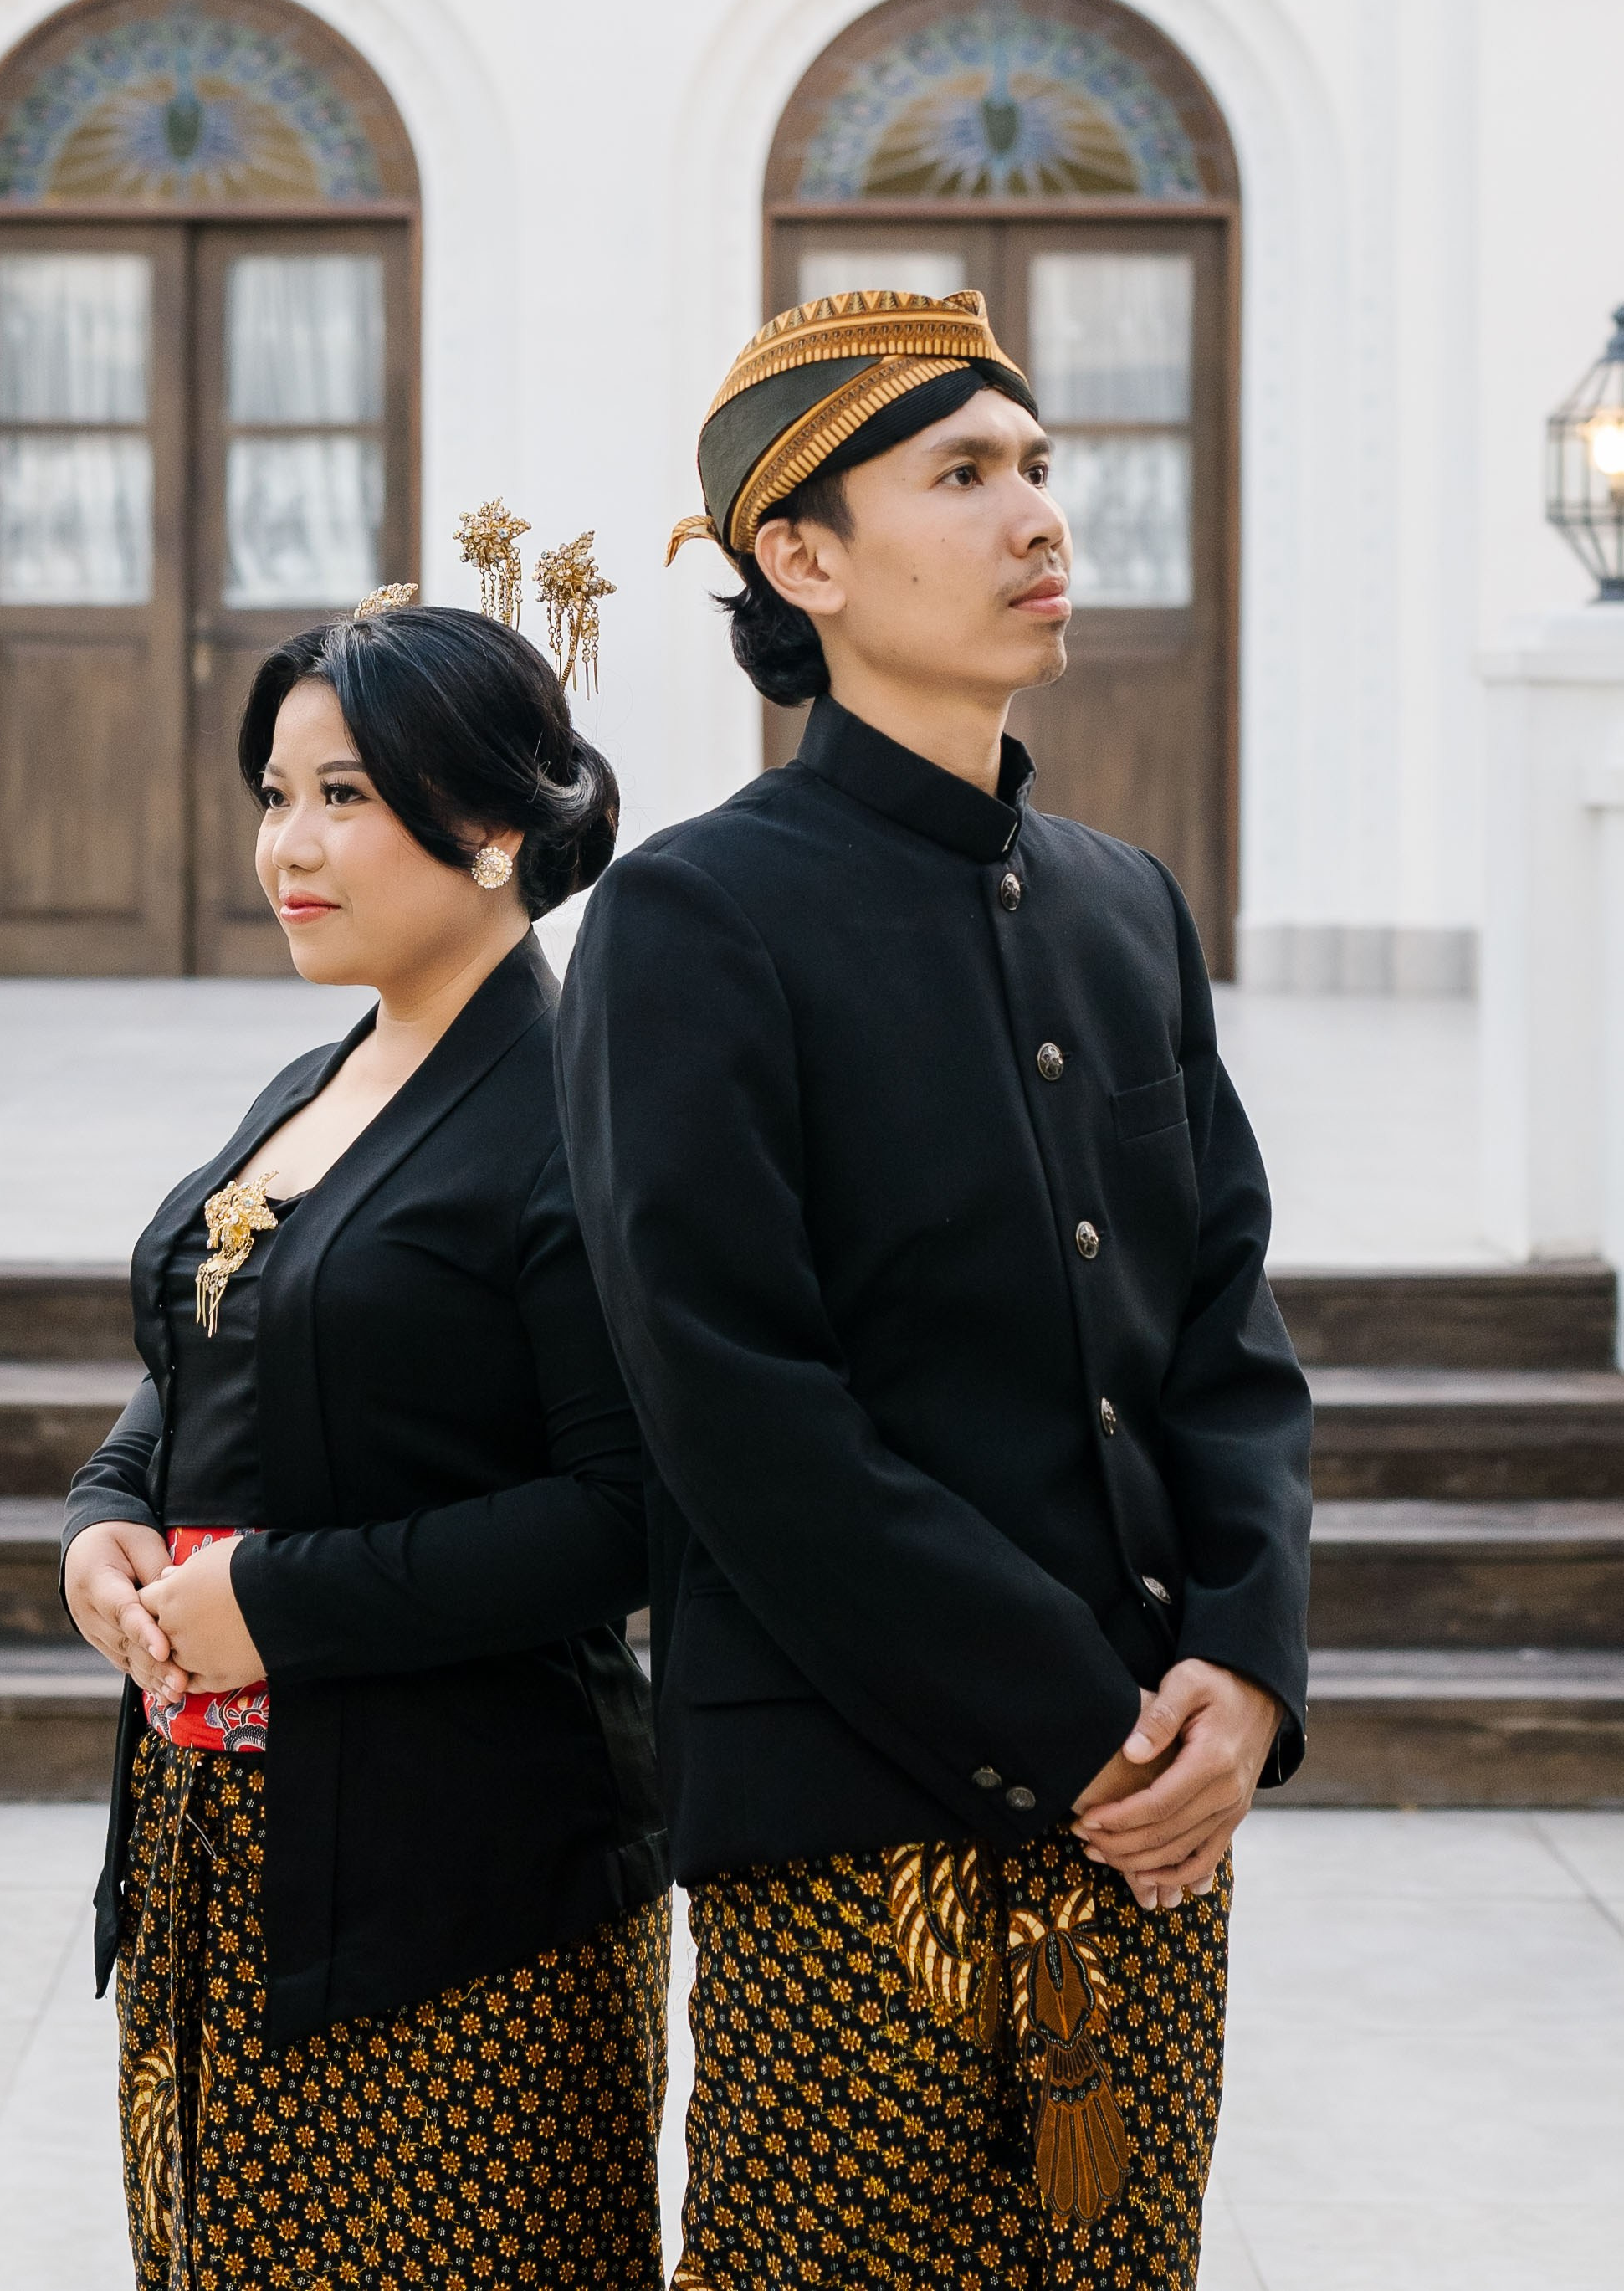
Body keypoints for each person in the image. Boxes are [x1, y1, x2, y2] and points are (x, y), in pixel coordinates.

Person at [556, 289, 1313, 2290]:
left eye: (1041, 465)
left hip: (1157, 1804)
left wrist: (1244, 1665)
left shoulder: (1123, 901)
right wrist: (1090, 1727)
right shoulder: (686, 917)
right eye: (963, 474)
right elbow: (736, 1403)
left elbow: (1226, 1334)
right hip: (847, 1804)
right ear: (799, 555)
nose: (1036, 514)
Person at [64, 597, 669, 2291]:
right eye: (276, 793)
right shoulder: (315, 1074)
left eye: (345, 795)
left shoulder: (570, 1104)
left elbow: (629, 1512)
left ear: (489, 829)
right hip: (223, 1856)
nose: (288, 847)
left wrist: (282, 1601)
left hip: (463, 1894)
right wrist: (106, 1515)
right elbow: (202, 1343)